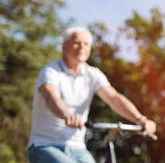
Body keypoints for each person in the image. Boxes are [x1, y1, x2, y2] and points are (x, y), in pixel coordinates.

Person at [28, 26, 157, 163]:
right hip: (44, 145)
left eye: (86, 44)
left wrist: (140, 119)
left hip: (77, 147)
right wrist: (66, 115)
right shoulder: (51, 71)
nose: (82, 47)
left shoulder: (92, 74)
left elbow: (114, 98)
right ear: (64, 46)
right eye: (77, 43)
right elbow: (50, 97)